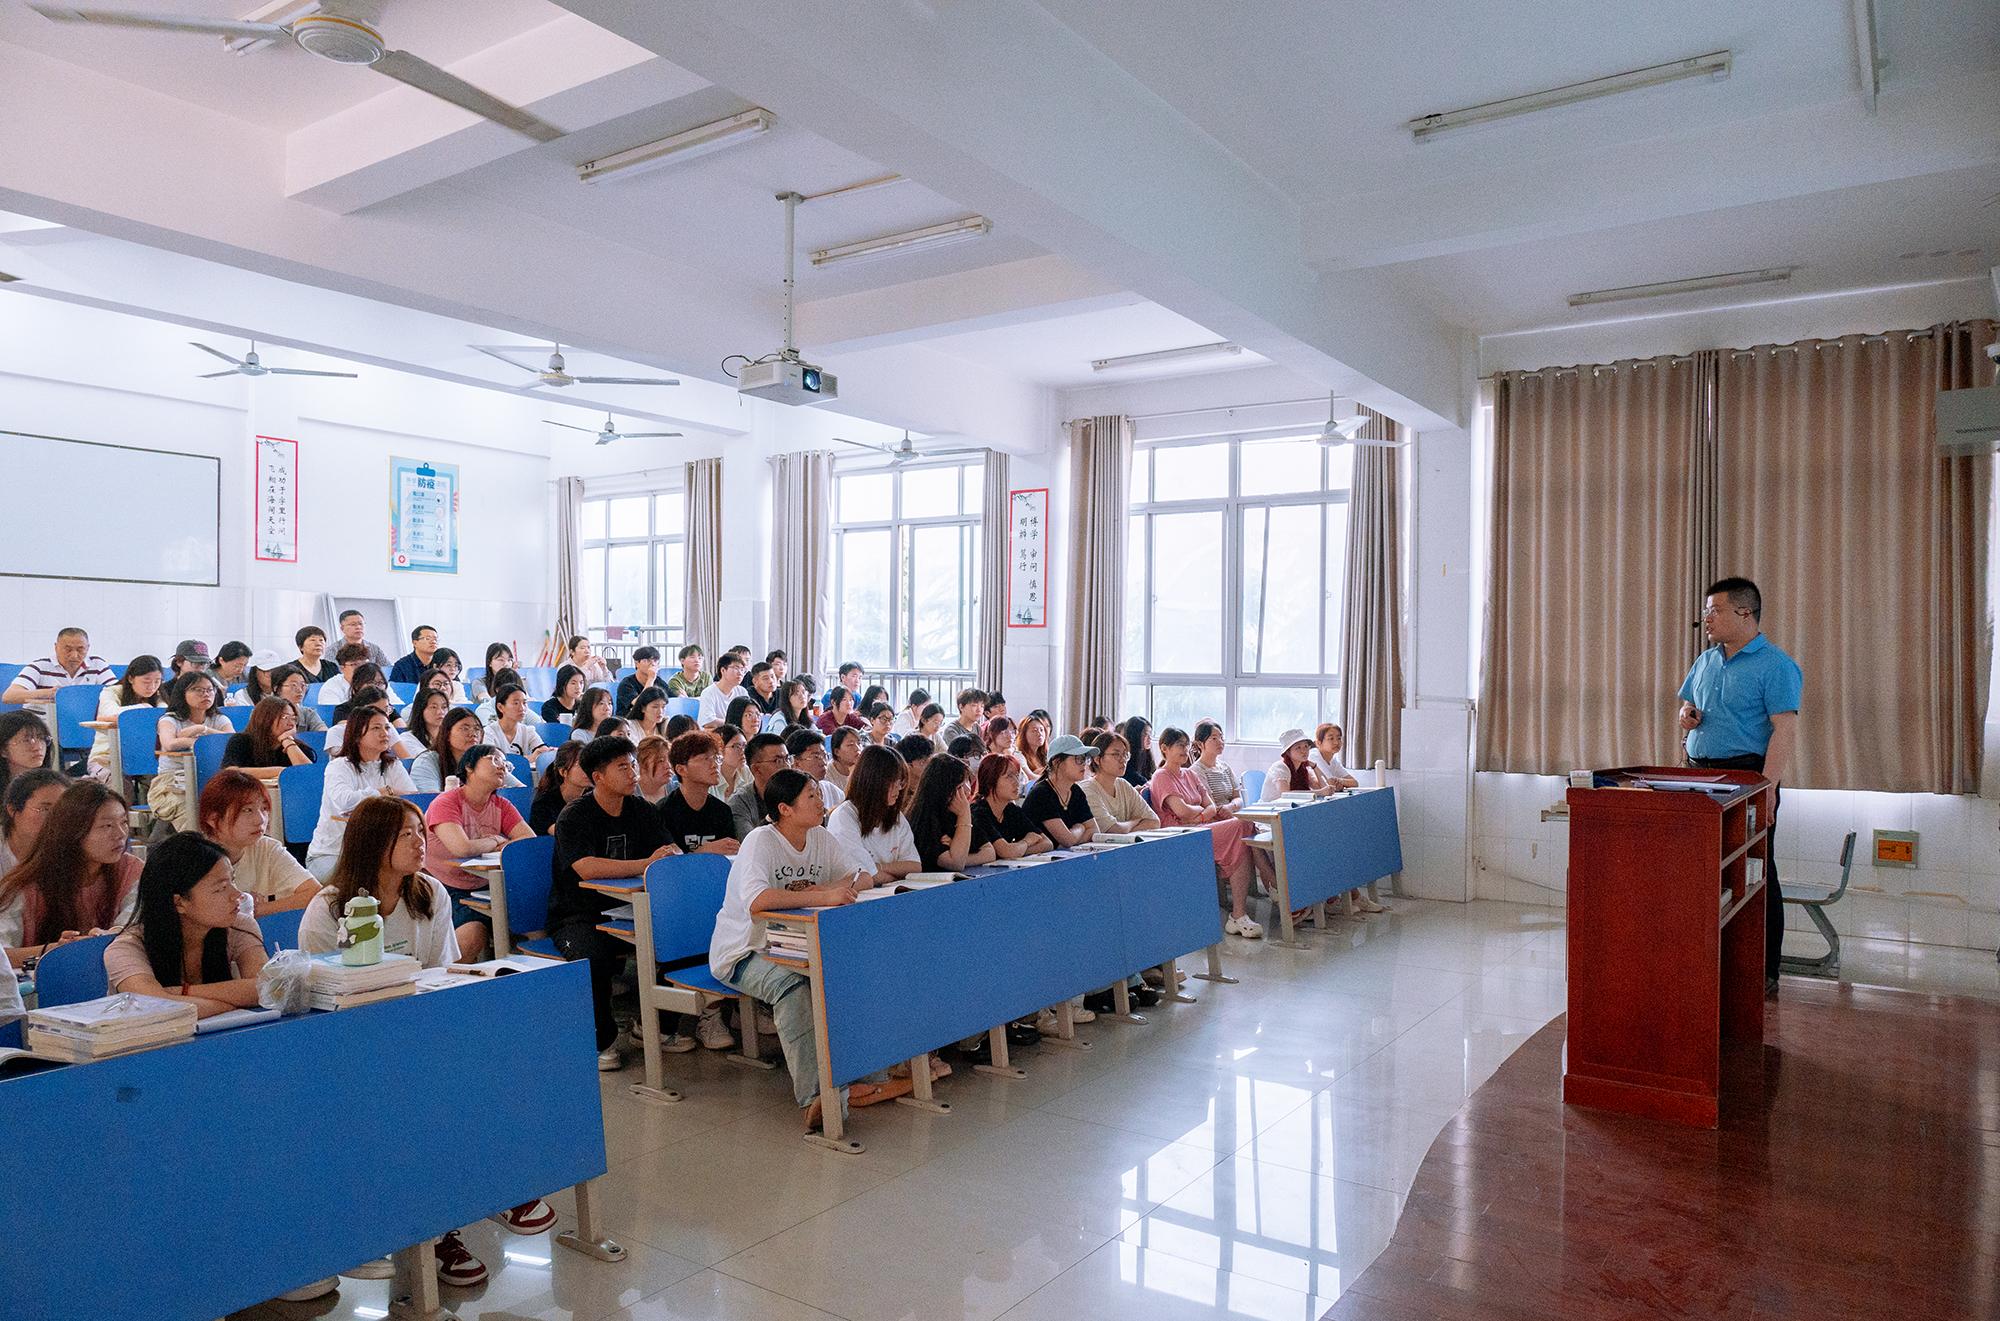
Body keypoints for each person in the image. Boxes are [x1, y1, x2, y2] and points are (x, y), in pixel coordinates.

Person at [710, 768, 888, 1132]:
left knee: (853, 976)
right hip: (745, 951)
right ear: (785, 808)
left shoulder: (819, 835)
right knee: (794, 987)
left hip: (798, 943)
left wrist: (828, 890)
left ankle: (867, 1076)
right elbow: (758, 901)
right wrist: (823, 895)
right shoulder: (761, 841)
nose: (821, 801)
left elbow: (863, 876)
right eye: (811, 796)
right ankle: (815, 1097)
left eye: (819, 794)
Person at [1678, 575, 1801, 997]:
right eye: (1706, 611)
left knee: (1756, 871)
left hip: (1746, 779)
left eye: (1715, 611)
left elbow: (1784, 731)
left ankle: (1764, 970)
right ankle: (1708, 965)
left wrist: (1767, 788)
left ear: (1745, 613)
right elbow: (1688, 705)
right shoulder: (1706, 660)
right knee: (1700, 871)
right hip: (1699, 776)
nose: (1706, 618)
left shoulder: (1776, 665)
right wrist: (1687, 716)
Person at [550, 736, 678, 1070]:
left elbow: (668, 850)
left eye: (633, 764)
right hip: (580, 914)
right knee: (593, 958)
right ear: (598, 777)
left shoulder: (641, 809)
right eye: (623, 767)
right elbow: (586, 867)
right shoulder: (574, 816)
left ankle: (656, 1027)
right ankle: (601, 1041)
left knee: (682, 941)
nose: (633, 773)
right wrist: (645, 864)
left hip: (632, 911)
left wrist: (667, 856)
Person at [104, 830, 264, 1016]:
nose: (238, 895)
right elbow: (155, 1007)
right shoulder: (126, 948)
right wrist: (235, 1005)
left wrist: (182, 992)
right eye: (221, 888)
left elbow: (265, 987)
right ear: (179, 902)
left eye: (232, 881)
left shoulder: (239, 926)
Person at [651, 729, 742, 1052]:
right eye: (704, 759)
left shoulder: (721, 811)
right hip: (674, 900)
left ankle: (716, 1013)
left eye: (715, 757)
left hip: (714, 896)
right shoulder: (664, 811)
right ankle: (666, 1023)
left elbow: (729, 860)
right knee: (691, 936)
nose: (714, 764)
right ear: (681, 769)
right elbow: (667, 865)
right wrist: (706, 852)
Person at [0, 779, 139, 966]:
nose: (121, 834)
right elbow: (2, 952)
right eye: (107, 826)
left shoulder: (132, 870)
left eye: (124, 822)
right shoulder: (25, 884)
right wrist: (55, 950)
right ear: (73, 831)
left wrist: (104, 938)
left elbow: (132, 927)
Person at [1151, 726, 1264, 939]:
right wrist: (1201, 812)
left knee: (1243, 828)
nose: (1185, 750)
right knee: (1240, 827)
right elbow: (1181, 812)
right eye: (1179, 745)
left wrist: (1199, 815)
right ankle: (1243, 910)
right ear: (1164, 748)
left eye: (1186, 745)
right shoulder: (1161, 776)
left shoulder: (1189, 774)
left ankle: (1239, 914)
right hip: (1180, 835)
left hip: (1199, 827)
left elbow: (1210, 805)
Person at [423, 745, 533, 962]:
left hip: (489, 884)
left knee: (534, 920)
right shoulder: (446, 802)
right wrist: (496, 840)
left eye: (505, 764)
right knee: (473, 936)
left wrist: (490, 844)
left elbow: (528, 842)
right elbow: (461, 849)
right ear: (469, 767)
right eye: (494, 760)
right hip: (446, 886)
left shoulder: (501, 804)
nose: (502, 767)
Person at [307, 709, 417, 881]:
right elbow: (345, 802)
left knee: (413, 879)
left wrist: (385, 795)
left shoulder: (393, 765)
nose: (385, 733)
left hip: (378, 855)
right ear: (357, 735)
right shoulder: (339, 766)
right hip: (334, 853)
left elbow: (411, 798)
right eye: (376, 728)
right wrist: (386, 791)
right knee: (364, 883)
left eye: (387, 727)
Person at [197, 769, 317, 917]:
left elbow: (315, 893)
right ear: (213, 819)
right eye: (247, 810)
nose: (261, 820)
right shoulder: (194, 859)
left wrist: (254, 910)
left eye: (264, 808)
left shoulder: (266, 848)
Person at [147, 671, 231, 835]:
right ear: (182, 693)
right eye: (198, 690)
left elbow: (231, 740)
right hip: (171, 784)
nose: (205, 694)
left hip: (210, 781)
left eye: (210, 690)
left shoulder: (218, 719)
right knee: (195, 813)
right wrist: (196, 743)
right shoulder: (170, 719)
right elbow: (169, 744)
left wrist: (202, 730)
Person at [823, 744, 918, 888]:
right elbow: (864, 875)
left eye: (901, 782)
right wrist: (893, 873)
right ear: (874, 781)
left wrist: (877, 867)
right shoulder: (844, 816)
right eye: (894, 782)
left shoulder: (895, 815)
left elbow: (914, 866)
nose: (899, 788)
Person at [907, 753, 996, 873]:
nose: (968, 790)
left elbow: (990, 853)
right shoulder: (926, 820)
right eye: (960, 786)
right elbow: (955, 863)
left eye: (968, 782)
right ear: (943, 791)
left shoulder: (958, 813)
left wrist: (961, 854)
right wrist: (963, 816)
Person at [86, 654, 165, 784]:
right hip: (107, 756)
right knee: (121, 784)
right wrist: (142, 707)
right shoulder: (111, 692)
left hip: (145, 757)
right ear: (130, 679)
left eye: (157, 681)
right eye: (146, 681)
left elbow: (165, 713)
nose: (152, 686)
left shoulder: (159, 696)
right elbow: (110, 712)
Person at [3, 627, 112, 709]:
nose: (74, 655)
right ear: (56, 647)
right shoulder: (40, 666)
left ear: (87, 648)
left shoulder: (97, 665)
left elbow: (117, 692)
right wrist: (47, 694)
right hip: (42, 725)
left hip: (81, 725)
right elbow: (8, 696)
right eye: (68, 649)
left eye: (80, 649)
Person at [969, 754, 1054, 860]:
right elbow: (1006, 852)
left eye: (1017, 776)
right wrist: (1026, 841)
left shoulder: (1011, 810)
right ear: (990, 781)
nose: (1016, 782)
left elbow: (1047, 844)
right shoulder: (978, 812)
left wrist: (1017, 850)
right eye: (1009, 776)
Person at [413, 706, 514, 794]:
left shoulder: (486, 760)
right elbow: (430, 797)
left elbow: (518, 789)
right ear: (447, 734)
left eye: (477, 729)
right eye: (465, 729)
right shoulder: (426, 761)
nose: (473, 734)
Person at [1022, 734, 1099, 848]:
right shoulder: (1042, 794)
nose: (1084, 764)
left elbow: (1094, 830)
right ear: (1057, 762)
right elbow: (1067, 840)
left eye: (1084, 759)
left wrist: (1071, 840)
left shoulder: (1076, 791)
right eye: (1078, 759)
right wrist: (1080, 827)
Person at [1083, 732, 1160, 834]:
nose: (1123, 760)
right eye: (1116, 755)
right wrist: (1133, 822)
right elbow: (1113, 829)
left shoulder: (1123, 785)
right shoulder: (1088, 789)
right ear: (1097, 759)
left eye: (1125, 754)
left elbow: (1154, 821)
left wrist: (1125, 829)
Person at [0, 768, 69, 878]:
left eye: (62, 810)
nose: (56, 818)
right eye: (45, 809)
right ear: (12, 809)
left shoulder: (67, 851)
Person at [221, 696, 317, 772]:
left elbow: (308, 775)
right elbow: (231, 772)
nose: (291, 723)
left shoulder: (298, 748)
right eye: (285, 717)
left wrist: (287, 741)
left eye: (293, 718)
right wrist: (279, 771)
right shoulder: (240, 741)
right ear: (265, 718)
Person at [728, 732, 791, 839]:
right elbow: (749, 842)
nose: (786, 766)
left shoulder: (799, 794)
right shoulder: (740, 801)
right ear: (756, 769)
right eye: (778, 761)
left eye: (787, 759)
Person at [529, 742, 589, 835]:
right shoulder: (544, 802)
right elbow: (560, 832)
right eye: (581, 764)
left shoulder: (594, 796)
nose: (588, 769)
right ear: (563, 772)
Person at [1261, 729, 1335, 802]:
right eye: (1298, 747)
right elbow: (1284, 795)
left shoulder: (1302, 768)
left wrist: (1314, 766)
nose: (1304, 751)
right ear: (1288, 752)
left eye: (1306, 746)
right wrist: (1319, 792)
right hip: (1270, 808)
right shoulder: (1281, 767)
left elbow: (1323, 788)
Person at [0, 711, 55, 807]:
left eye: (41, 738)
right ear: (3, 750)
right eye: (26, 740)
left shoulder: (54, 787)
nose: (38, 747)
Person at [784, 729, 844, 812]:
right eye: (816, 757)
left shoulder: (832, 791)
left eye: (825, 756)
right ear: (796, 762)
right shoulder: (787, 797)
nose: (823, 763)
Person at [484, 684, 547, 760]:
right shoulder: (489, 733)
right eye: (516, 703)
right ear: (500, 707)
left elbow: (541, 750)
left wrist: (547, 752)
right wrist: (528, 759)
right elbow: (492, 761)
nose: (522, 708)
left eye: (524, 703)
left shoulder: (527, 731)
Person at [1191, 721, 1245, 810]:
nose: (1220, 742)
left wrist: (1231, 806)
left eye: (1221, 737)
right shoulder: (1197, 770)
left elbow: (1238, 798)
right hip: (1213, 816)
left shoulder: (1225, 767)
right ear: (1200, 744)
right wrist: (1225, 811)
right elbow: (1209, 805)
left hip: (1230, 813)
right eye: (1214, 738)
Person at [698, 652, 747, 727]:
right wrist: (734, 723)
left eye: (742, 669)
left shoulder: (742, 692)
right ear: (723, 670)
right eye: (736, 668)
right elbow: (708, 722)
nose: (740, 673)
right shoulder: (709, 693)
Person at [403, 687, 454, 757]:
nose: (440, 712)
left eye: (444, 707)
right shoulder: (408, 738)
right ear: (420, 710)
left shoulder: (453, 736)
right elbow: (425, 758)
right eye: (434, 707)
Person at [617, 647, 667, 714]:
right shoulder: (626, 684)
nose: (652, 664)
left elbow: (671, 699)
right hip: (630, 718)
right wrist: (650, 679)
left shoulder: (658, 681)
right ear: (637, 663)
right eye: (647, 660)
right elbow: (638, 704)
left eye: (655, 661)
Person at [275, 666, 327, 731]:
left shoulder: (308, 713)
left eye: (303, 686)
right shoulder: (268, 713)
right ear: (277, 688)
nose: (300, 690)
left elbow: (323, 732)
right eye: (294, 685)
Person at [1311, 723, 1360, 790]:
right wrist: (1341, 783)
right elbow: (1329, 784)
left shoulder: (1333, 760)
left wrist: (1340, 782)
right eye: (1331, 738)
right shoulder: (1314, 756)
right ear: (1318, 743)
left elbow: (1354, 783)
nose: (1336, 742)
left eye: (1339, 738)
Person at [634, 735, 674, 804]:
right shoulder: (630, 796)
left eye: (670, 760)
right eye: (660, 761)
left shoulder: (678, 790)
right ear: (642, 766)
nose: (668, 766)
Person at [717, 725, 751, 799]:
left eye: (744, 745)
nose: (743, 751)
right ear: (720, 750)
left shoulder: (746, 772)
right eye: (736, 746)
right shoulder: (711, 775)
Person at [1121, 717, 1155, 788]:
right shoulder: (1125, 756)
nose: (1150, 738)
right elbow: (1137, 780)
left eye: (1150, 733)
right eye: (1146, 734)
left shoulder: (1147, 754)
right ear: (1135, 735)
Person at [825, 726, 862, 792]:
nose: (858, 748)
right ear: (837, 752)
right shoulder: (827, 776)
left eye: (859, 744)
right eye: (850, 745)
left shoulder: (864, 768)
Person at [1017, 713, 1050, 783]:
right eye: (1034, 730)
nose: (1040, 734)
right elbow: (1030, 778)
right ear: (1024, 734)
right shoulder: (1019, 756)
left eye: (1042, 730)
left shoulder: (1047, 754)